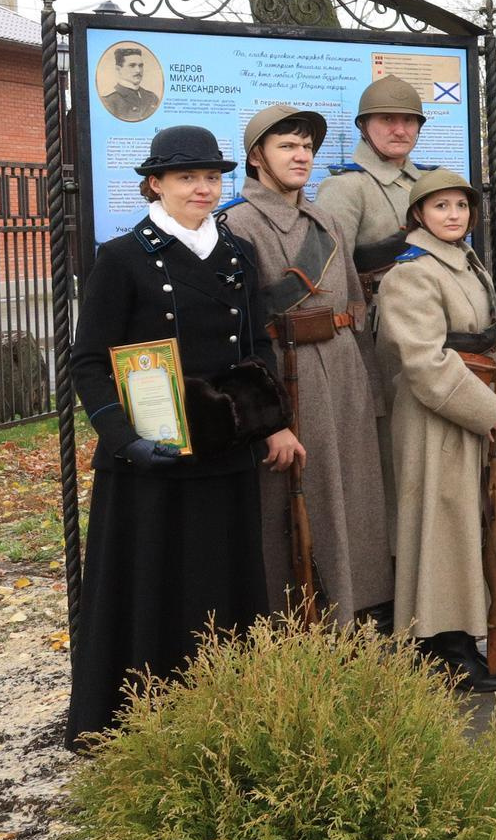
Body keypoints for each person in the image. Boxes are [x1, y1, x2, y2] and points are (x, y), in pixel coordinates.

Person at [68, 124, 299, 745]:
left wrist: (273, 423)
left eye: (211, 177)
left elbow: (253, 349)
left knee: (222, 580)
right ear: (155, 183)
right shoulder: (121, 258)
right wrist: (122, 437)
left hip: (223, 450)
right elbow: (90, 359)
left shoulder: (234, 254)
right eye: (187, 177)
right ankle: (139, 719)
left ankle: (223, 710)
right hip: (150, 455)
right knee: (152, 581)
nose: (202, 188)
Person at [224, 102, 391, 627]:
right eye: (287, 146)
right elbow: (240, 332)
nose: (302, 156)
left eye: (307, 147)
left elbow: (353, 312)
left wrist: (368, 388)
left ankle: (354, 613)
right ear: (256, 157)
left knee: (352, 498)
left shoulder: (327, 221)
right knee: (291, 505)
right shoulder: (236, 225)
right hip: (285, 374)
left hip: (341, 373)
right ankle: (295, 623)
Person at [379, 169, 496, 693]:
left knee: (478, 527)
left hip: (478, 403)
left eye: (460, 206)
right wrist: (483, 410)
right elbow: (422, 359)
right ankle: (442, 650)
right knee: (444, 531)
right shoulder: (411, 274)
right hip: (439, 416)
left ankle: (469, 638)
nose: (453, 215)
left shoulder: (466, 262)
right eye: (440, 207)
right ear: (419, 215)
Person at [315, 74, 439, 500]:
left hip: (435, 330)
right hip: (379, 336)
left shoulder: (431, 184)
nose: (400, 129)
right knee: (390, 448)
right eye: (387, 119)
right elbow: (331, 274)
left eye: (409, 121)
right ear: (364, 127)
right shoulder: (344, 187)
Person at [100, 43, 160, 121]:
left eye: (140, 65)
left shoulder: (152, 98)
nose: (138, 70)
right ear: (118, 69)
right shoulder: (109, 101)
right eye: (132, 65)